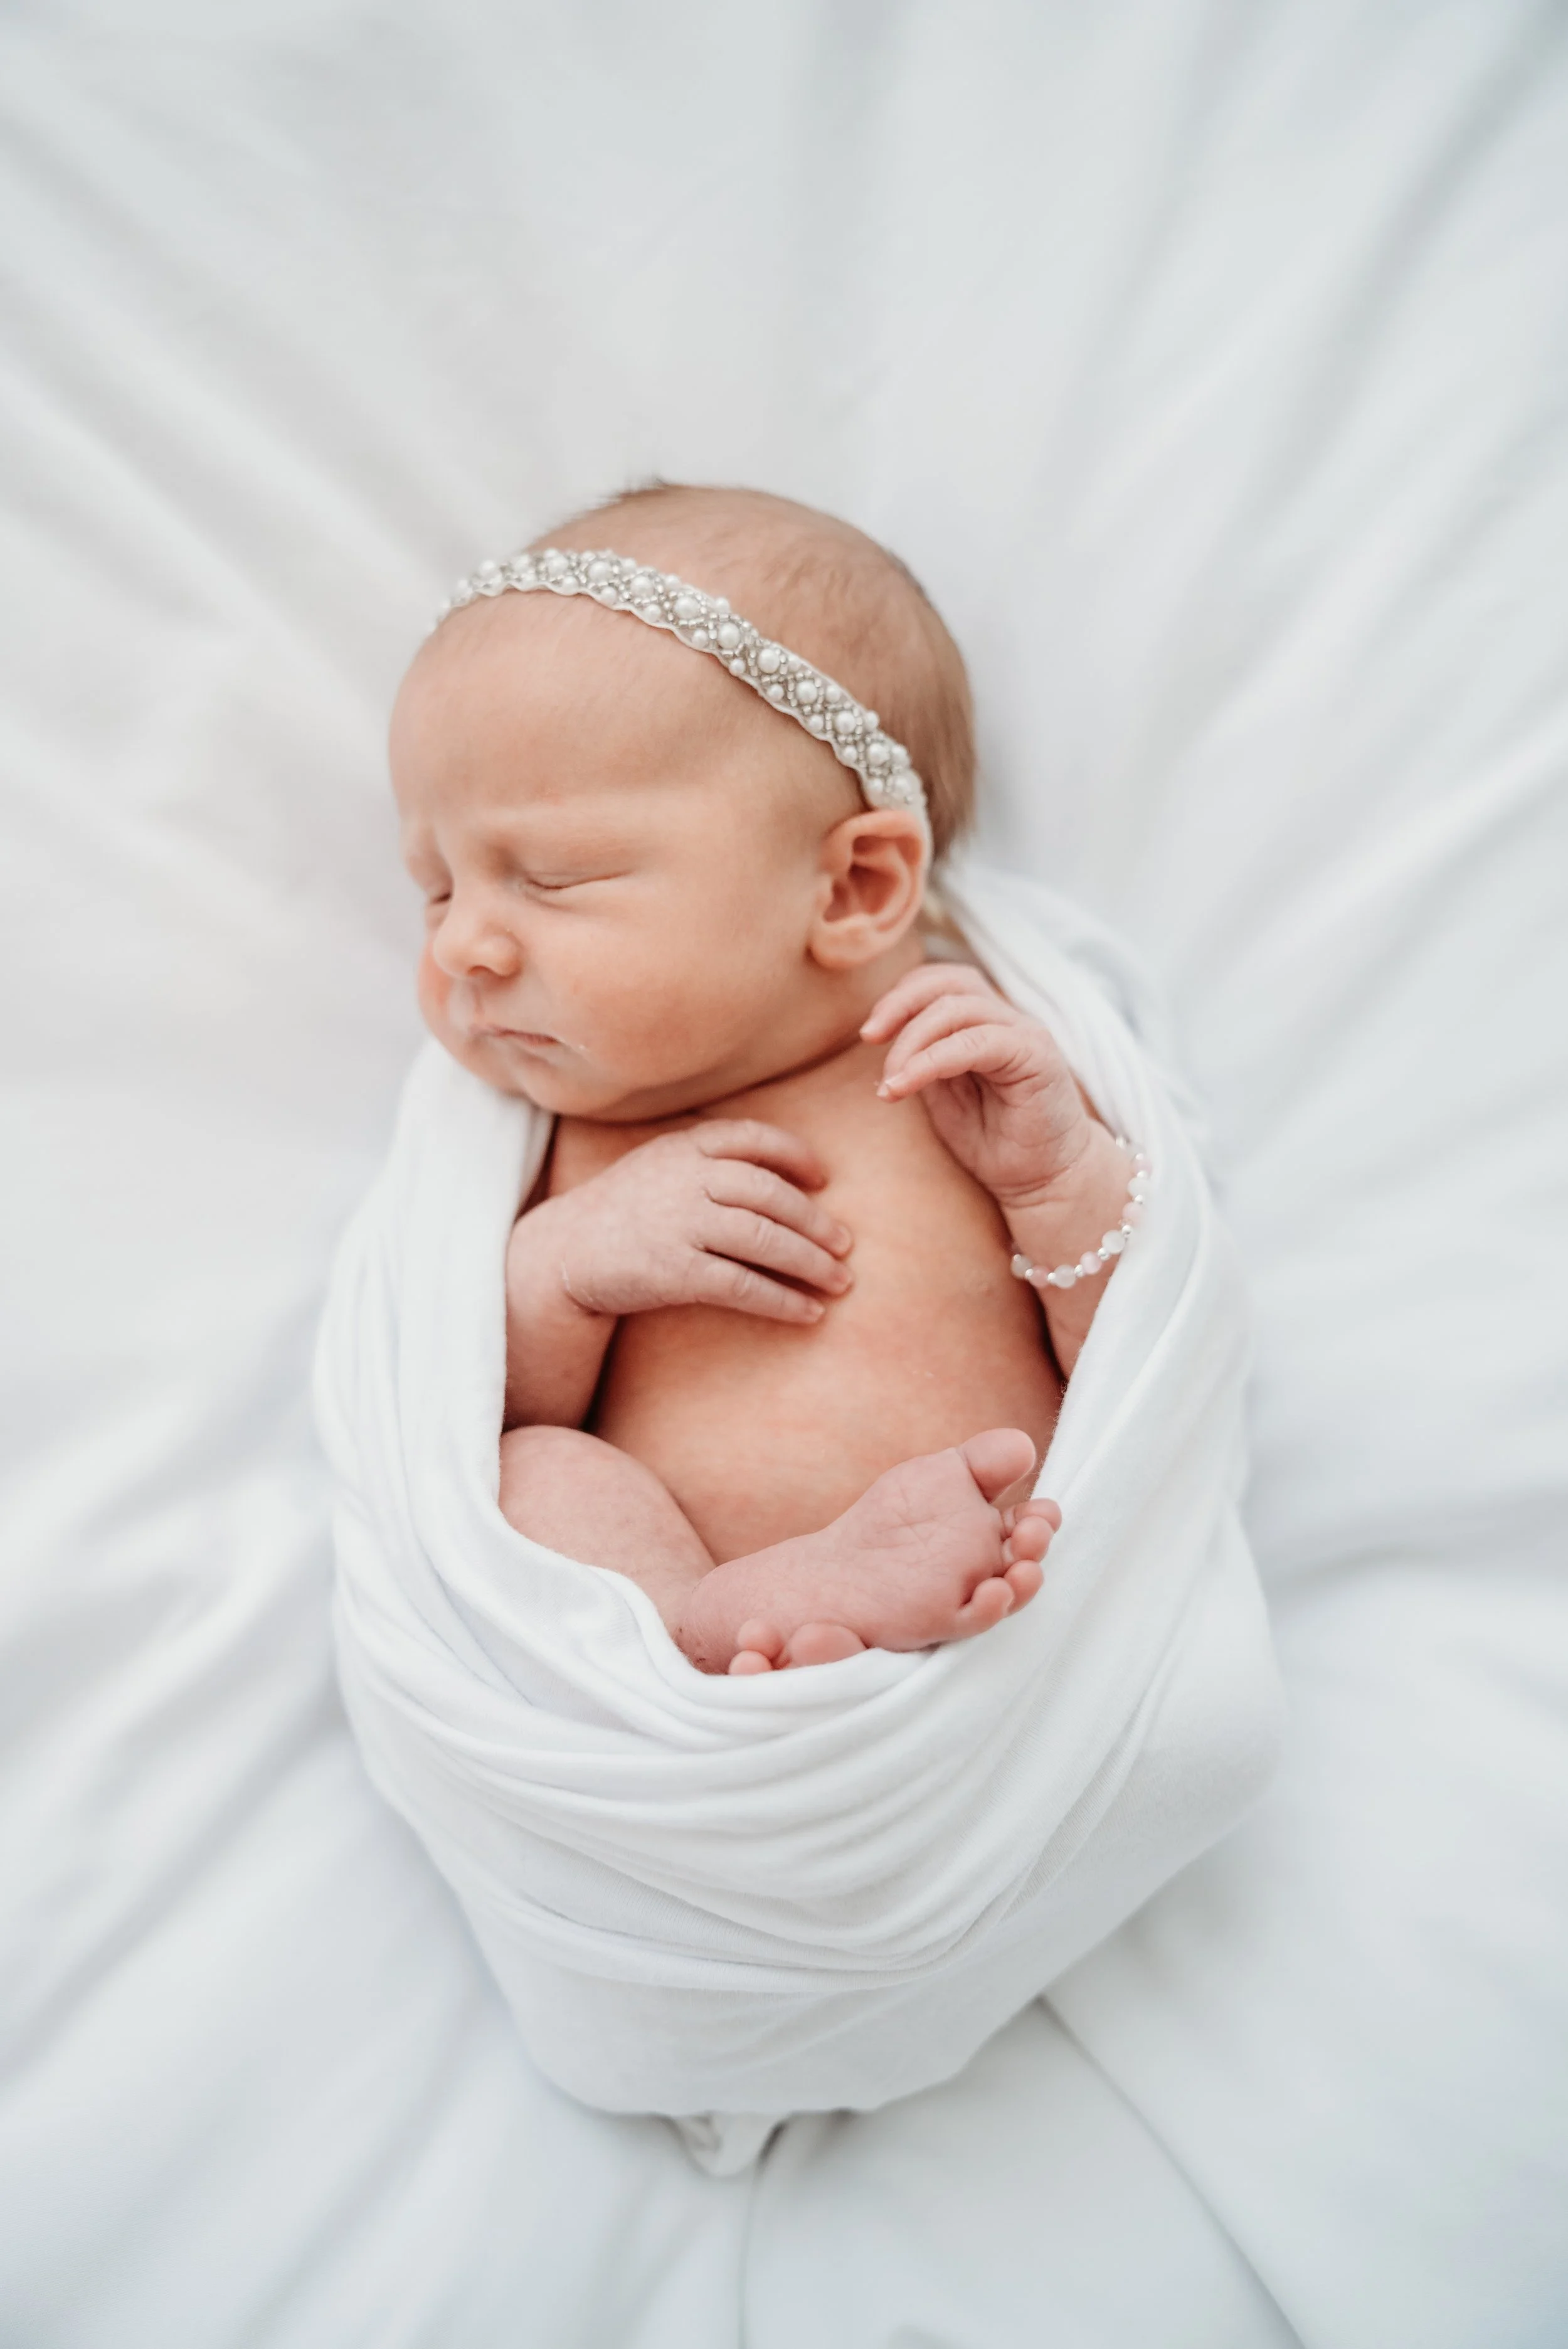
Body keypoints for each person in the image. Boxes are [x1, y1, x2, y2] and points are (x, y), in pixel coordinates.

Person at [391, 485, 1148, 1674]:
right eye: (437, 886)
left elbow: (1142, 1357)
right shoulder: (565, 1142)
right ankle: (708, 1617)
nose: (461, 946)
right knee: (536, 1475)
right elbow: (461, 1406)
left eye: (553, 877)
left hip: (1008, 1604)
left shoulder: (972, 1069)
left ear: (850, 891)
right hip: (694, 1656)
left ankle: (819, 1608)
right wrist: (562, 1275)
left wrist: (1062, 1184)